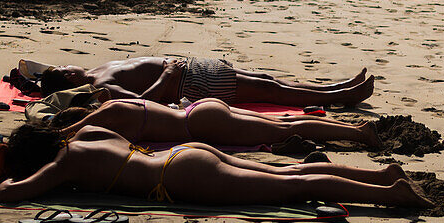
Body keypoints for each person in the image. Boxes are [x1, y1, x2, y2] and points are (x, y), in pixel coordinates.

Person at [0, 124, 430, 209]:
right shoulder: (87, 136)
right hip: (185, 154)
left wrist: (8, 175)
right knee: (288, 175)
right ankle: (380, 176)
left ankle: (390, 194)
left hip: (179, 177)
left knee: (292, 189)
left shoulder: (62, 165)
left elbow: (10, 194)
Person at [41, 95, 382, 150]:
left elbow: (62, 135)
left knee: (287, 129)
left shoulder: (102, 118)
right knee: (286, 122)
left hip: (200, 125)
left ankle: (358, 133)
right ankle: (351, 129)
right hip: (198, 110)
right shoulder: (114, 104)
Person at [31, 55, 374, 108]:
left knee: (267, 79)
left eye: (62, 67)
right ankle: (342, 97)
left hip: (194, 68)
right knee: (271, 91)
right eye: (62, 75)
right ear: (67, 85)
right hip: (189, 84)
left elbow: (30, 71)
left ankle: (336, 88)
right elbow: (141, 103)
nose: (67, 69)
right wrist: (168, 75)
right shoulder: (99, 87)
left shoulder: (98, 68)